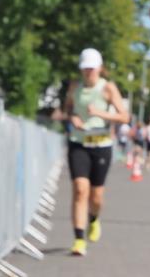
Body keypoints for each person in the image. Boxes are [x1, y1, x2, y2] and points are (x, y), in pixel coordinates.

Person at [55, 48, 129, 256]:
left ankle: (94, 220)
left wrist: (100, 113)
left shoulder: (108, 88)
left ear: (99, 68)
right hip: (78, 143)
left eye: (91, 69)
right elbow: (68, 109)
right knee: (80, 189)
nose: (88, 72)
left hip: (101, 144)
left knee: (96, 196)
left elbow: (124, 117)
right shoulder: (74, 87)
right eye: (84, 68)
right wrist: (73, 118)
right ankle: (79, 239)